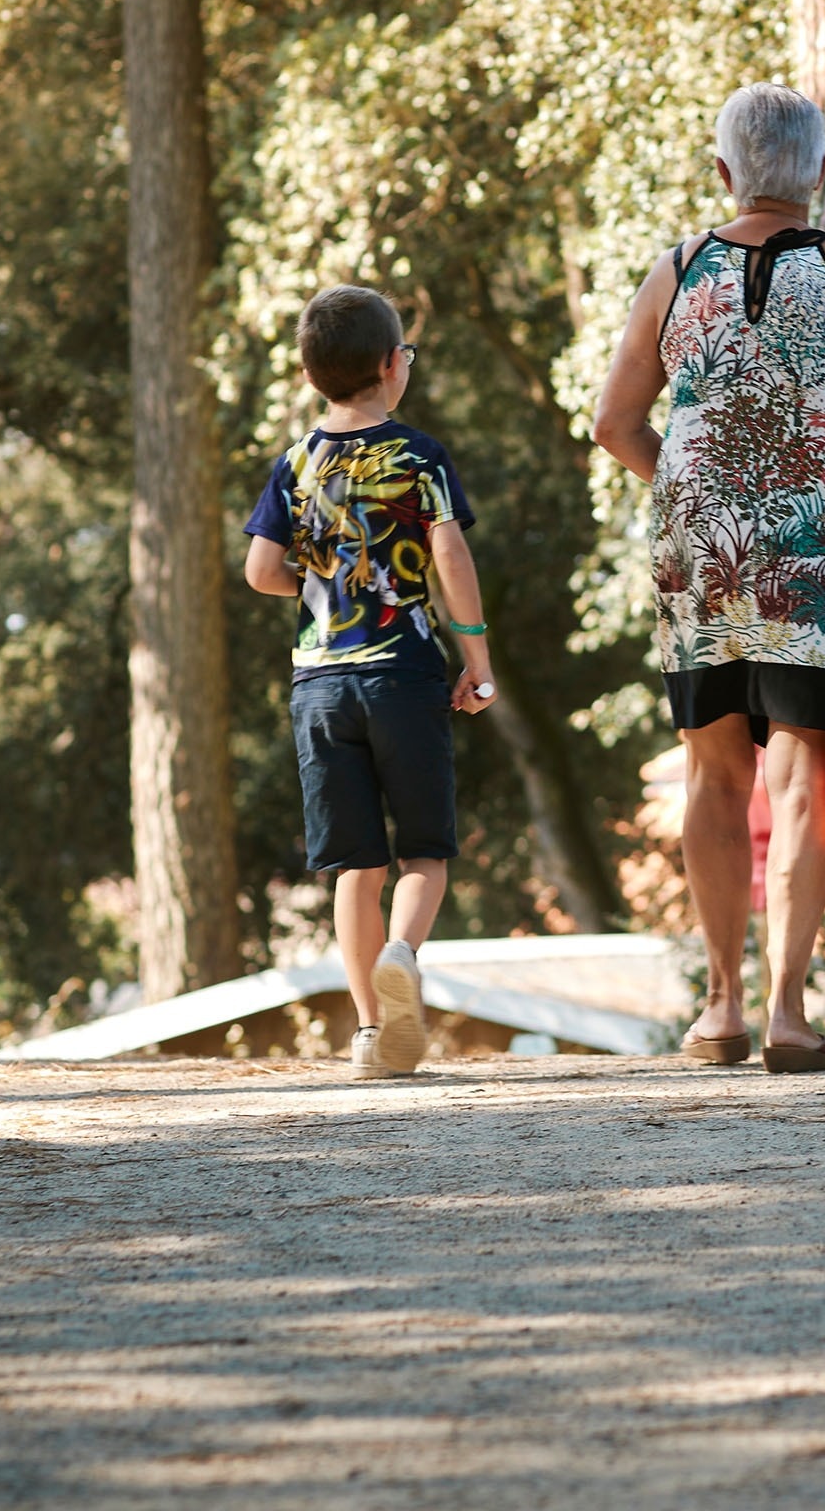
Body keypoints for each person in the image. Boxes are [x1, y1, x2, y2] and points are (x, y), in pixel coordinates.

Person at [592, 84, 825, 1074]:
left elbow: (613, 422)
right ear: (820, 171)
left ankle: (719, 1009)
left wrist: (693, 483)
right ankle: (788, 1013)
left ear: (723, 173)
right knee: (801, 774)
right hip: (817, 551)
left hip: (700, 549)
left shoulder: (675, 272)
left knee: (713, 770)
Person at [245, 285, 497, 1078]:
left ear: (309, 375)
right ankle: (402, 953)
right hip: (404, 675)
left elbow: (260, 570)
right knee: (423, 852)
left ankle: (366, 1032)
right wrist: (477, 660)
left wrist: (326, 586)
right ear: (392, 365)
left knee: (355, 866)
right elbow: (449, 555)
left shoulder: (295, 463)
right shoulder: (420, 456)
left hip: (320, 687)